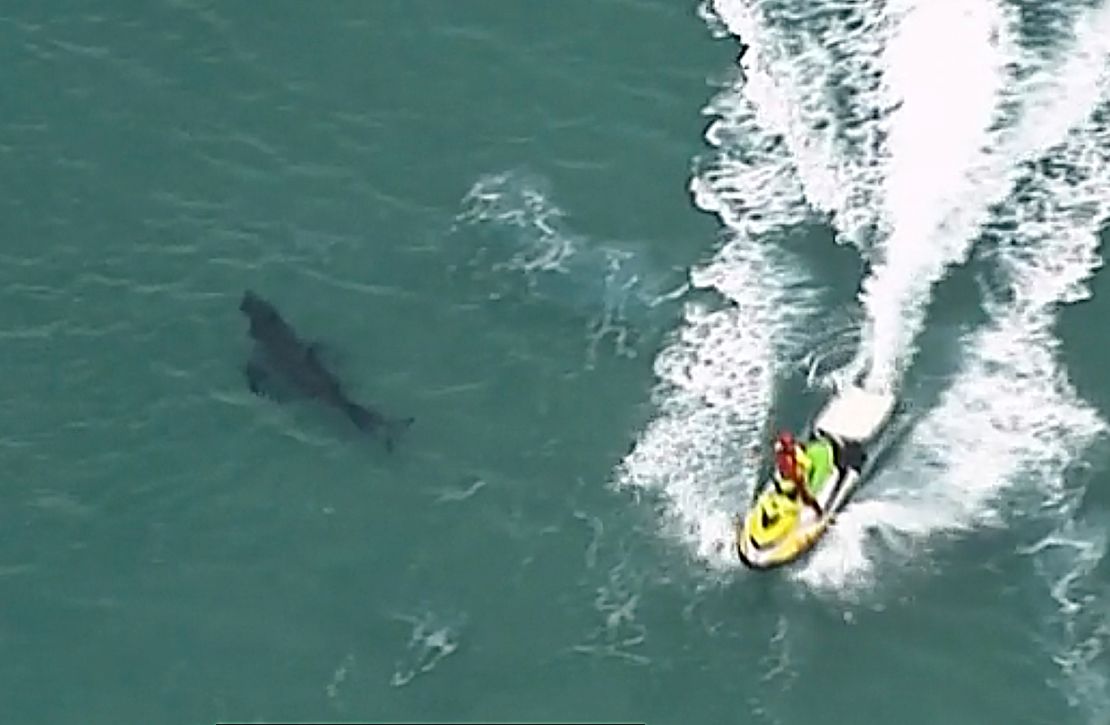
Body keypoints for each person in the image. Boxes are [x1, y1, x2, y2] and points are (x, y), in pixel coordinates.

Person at [773, 431, 822, 514]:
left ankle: (819, 512)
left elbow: (808, 464)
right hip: (787, 477)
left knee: (807, 497)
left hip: (796, 478)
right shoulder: (783, 452)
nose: (790, 447)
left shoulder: (796, 453)